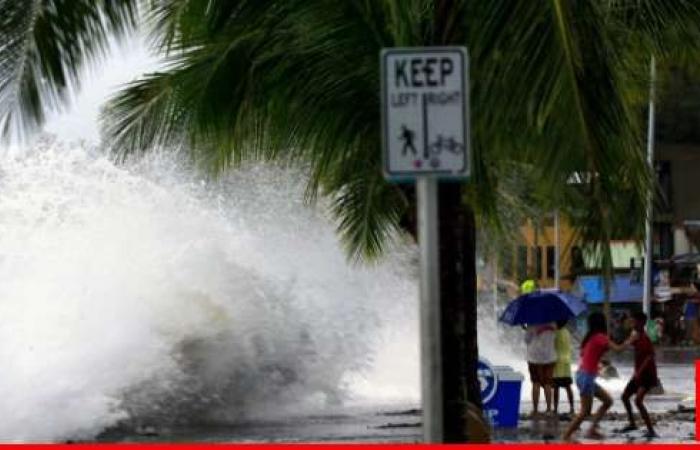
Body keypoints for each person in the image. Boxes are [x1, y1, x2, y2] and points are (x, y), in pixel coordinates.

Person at [562, 312, 632, 441]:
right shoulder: (600, 337)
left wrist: (597, 367)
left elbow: (587, 355)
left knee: (608, 401)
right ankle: (566, 437)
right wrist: (630, 340)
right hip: (587, 377)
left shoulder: (590, 338)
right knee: (585, 412)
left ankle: (592, 429)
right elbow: (618, 349)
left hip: (582, 375)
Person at [618, 311, 660, 438]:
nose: (632, 322)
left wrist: (639, 372)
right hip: (638, 373)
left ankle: (651, 430)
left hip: (647, 374)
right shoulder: (635, 335)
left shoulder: (645, 338)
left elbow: (650, 357)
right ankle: (632, 423)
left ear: (641, 322)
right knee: (625, 396)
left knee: (638, 401)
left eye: (634, 320)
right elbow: (625, 345)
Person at [525, 321, 556, 416]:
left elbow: (527, 340)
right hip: (549, 357)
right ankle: (549, 410)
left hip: (534, 358)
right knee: (548, 384)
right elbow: (554, 338)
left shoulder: (532, 323)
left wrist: (527, 330)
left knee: (536, 383)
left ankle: (535, 410)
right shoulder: (553, 324)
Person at [552, 320, 574, 418]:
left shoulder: (555, 333)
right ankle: (572, 407)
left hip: (557, 362)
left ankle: (555, 409)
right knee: (568, 387)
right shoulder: (567, 332)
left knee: (556, 387)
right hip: (567, 362)